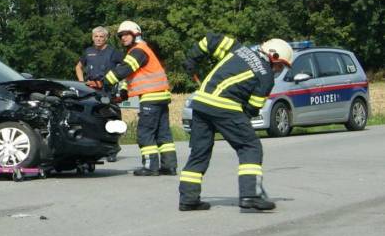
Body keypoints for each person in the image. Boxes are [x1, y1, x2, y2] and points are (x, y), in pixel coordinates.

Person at [178, 36, 291, 212]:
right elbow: (252, 108)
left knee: (200, 151)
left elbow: (210, 40)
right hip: (226, 107)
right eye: (280, 65)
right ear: (273, 56)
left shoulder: (238, 49)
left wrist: (192, 59)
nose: (279, 70)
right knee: (250, 146)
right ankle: (250, 195)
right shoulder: (266, 77)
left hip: (200, 104)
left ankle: (188, 199)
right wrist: (238, 123)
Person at [103, 20, 177, 176]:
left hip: (151, 98)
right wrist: (123, 94)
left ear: (135, 34)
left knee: (145, 133)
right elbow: (130, 76)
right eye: (121, 36)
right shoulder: (141, 51)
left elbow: (124, 70)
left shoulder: (138, 51)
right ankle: (169, 166)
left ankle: (151, 167)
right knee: (163, 134)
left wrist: (105, 81)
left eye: (126, 34)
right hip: (161, 96)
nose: (123, 38)